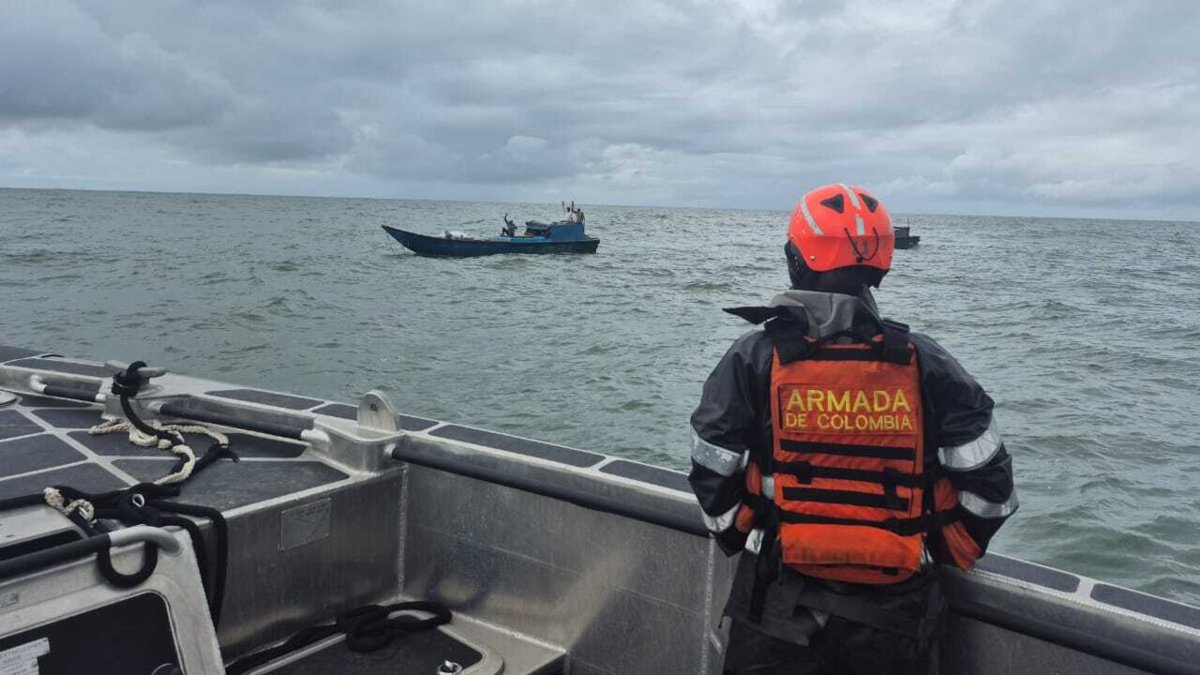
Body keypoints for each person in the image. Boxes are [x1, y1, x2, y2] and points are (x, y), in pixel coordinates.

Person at [689, 183, 1017, 675]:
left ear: (795, 260)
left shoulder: (752, 358)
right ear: (880, 266)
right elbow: (992, 490)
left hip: (776, 613)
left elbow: (712, 476)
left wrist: (745, 533)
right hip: (898, 623)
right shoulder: (927, 363)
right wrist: (925, 543)